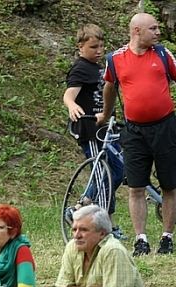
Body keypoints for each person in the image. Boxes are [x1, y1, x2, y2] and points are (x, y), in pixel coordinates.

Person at [97, 13, 176, 256]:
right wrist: (105, 114)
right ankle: (141, 239)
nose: (158, 32)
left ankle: (167, 237)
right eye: (153, 28)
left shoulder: (162, 54)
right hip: (134, 131)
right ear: (137, 31)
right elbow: (110, 87)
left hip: (165, 127)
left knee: (169, 185)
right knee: (136, 187)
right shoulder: (116, 59)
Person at [63, 24, 125, 240]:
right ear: (80, 46)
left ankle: (81, 209)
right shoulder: (80, 68)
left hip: (108, 129)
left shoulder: (102, 67)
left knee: (118, 171)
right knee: (102, 176)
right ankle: (105, 224)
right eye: (93, 47)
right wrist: (72, 106)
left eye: (101, 46)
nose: (98, 51)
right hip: (91, 130)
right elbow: (69, 94)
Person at [55, 204, 147, 287]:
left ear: (102, 234)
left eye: (84, 230)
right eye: (74, 229)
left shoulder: (113, 250)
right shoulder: (72, 246)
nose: (77, 235)